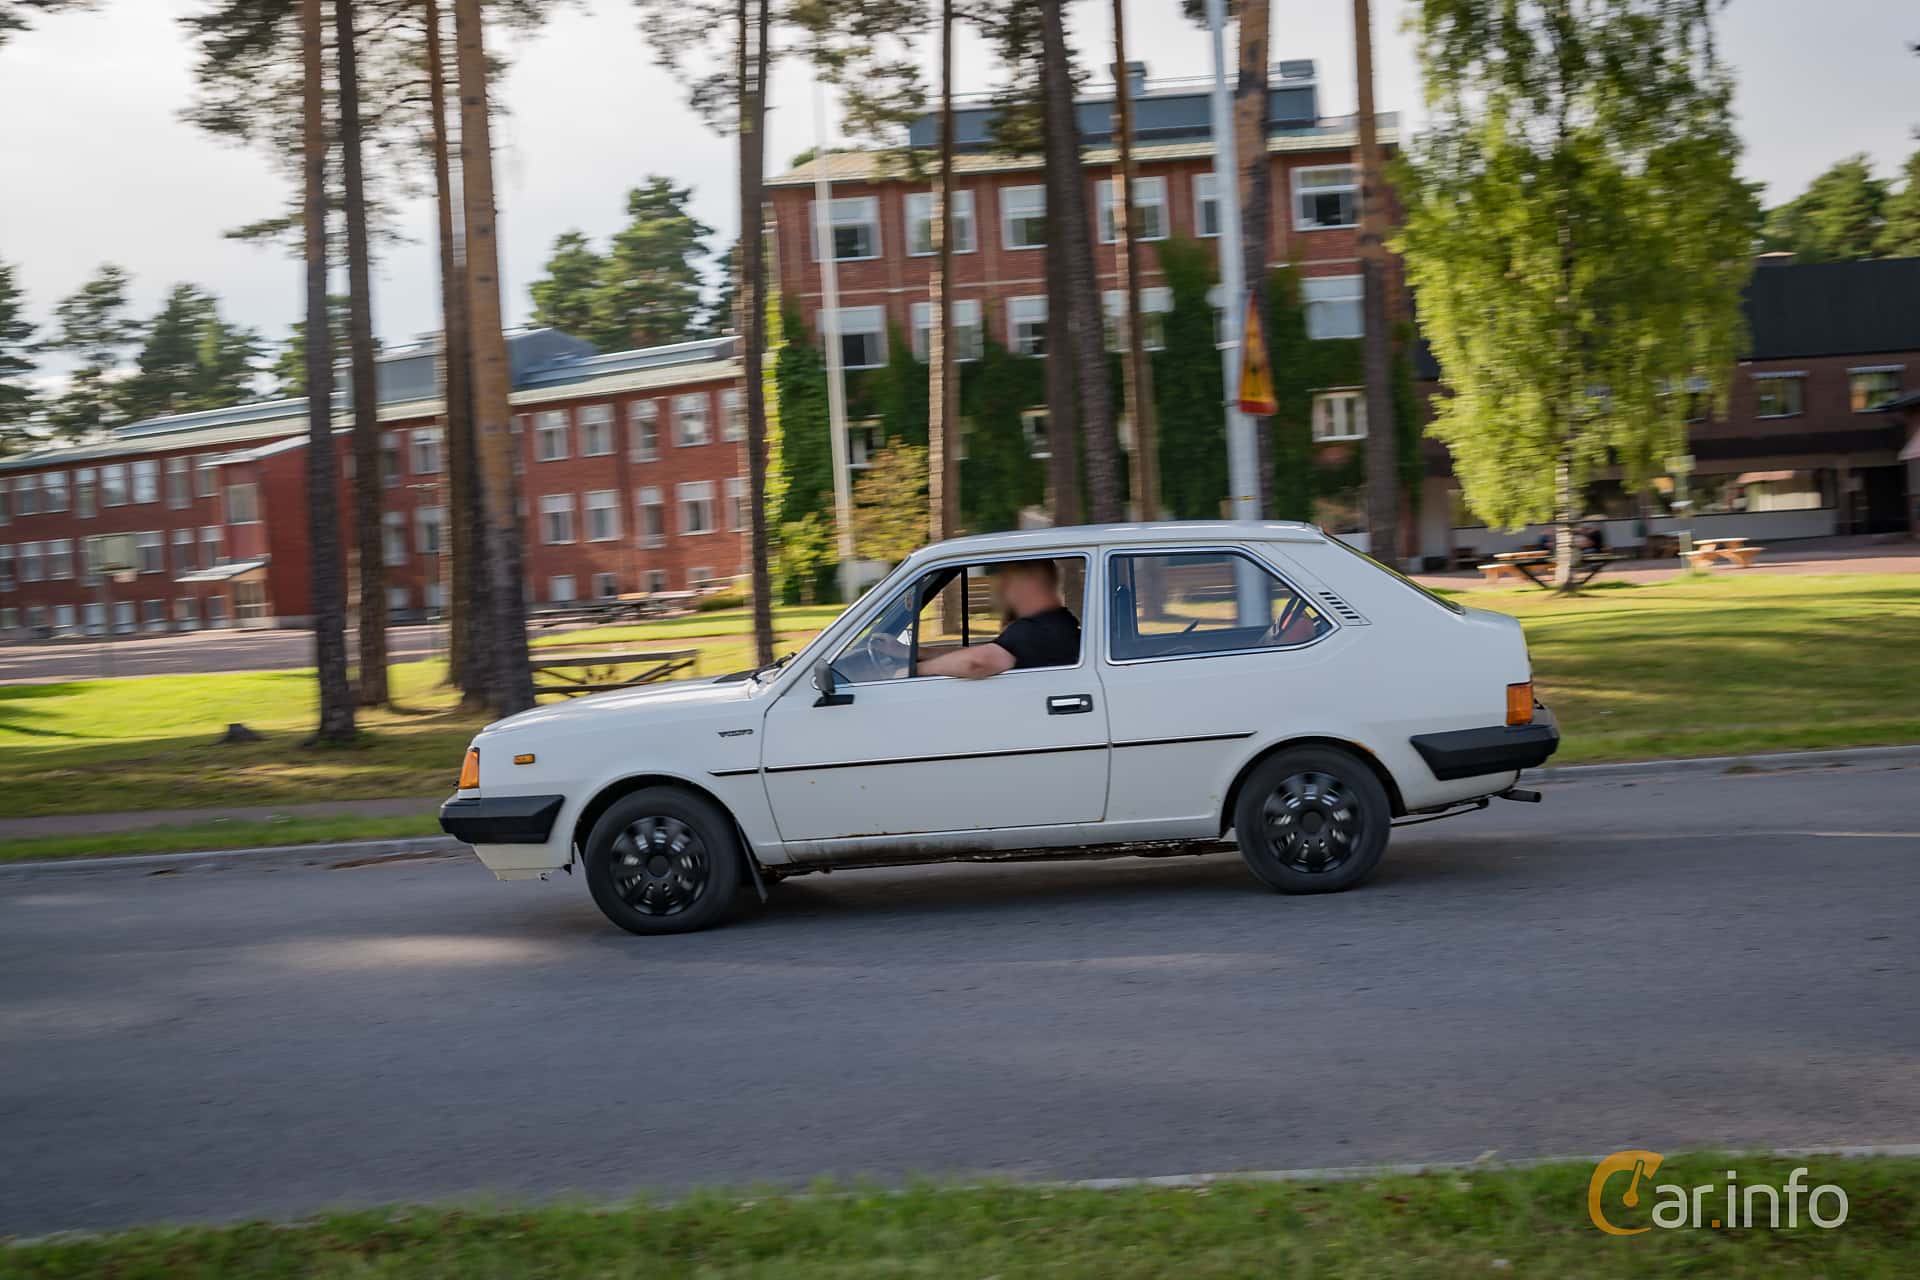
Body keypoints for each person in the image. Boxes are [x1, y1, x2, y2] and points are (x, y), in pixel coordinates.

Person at [916, 559, 1080, 679]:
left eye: (1007, 580)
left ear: (1029, 582)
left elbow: (975, 663)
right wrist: (921, 653)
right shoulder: (1056, 622)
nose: (1001, 588)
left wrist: (916, 670)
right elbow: (988, 651)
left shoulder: (1035, 631)